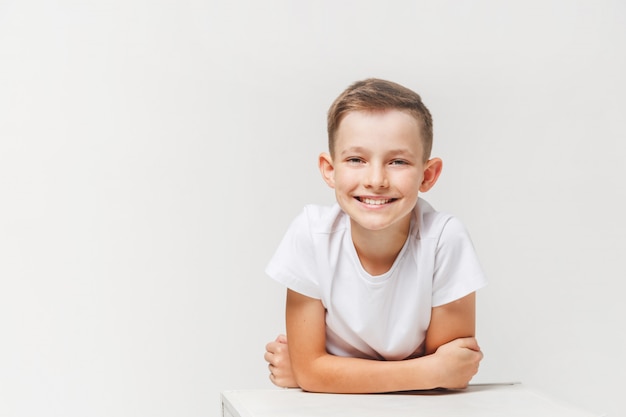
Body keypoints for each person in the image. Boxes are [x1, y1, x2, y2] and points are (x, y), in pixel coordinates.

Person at [263, 78, 487, 394]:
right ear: (330, 169)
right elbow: (434, 372)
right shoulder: (311, 234)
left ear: (428, 174)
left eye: (398, 161)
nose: (376, 179)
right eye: (356, 159)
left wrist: (317, 374)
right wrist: (311, 373)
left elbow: (448, 377)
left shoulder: (445, 240)